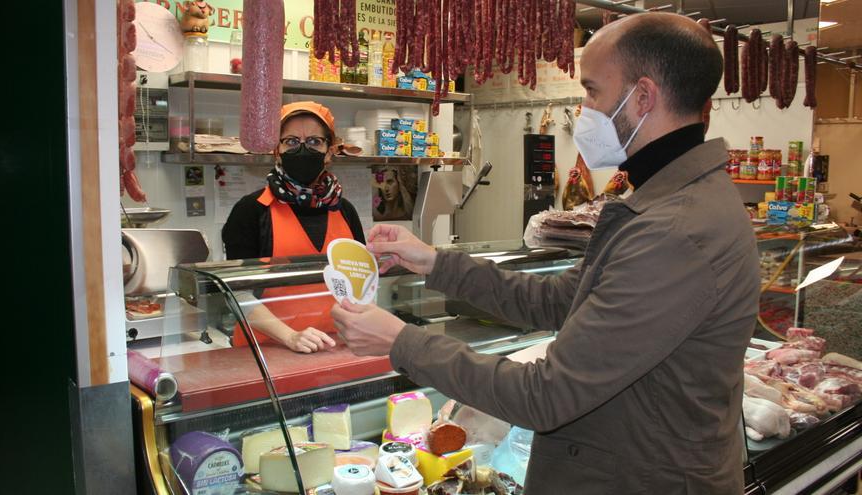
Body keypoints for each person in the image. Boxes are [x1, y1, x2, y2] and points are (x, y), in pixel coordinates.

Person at [332, 13, 760, 493]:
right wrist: (435, 262)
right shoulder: (669, 202)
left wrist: (401, 342)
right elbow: (558, 300)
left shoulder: (674, 231)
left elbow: (545, 396)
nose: (585, 108)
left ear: (643, 97)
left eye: (593, 91)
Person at [223, 101, 365, 353]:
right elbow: (236, 292)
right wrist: (290, 337)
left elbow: (360, 283)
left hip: (335, 346)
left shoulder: (344, 210)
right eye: (291, 141)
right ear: (276, 150)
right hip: (265, 351)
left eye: (313, 142)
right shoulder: (251, 210)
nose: (302, 150)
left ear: (329, 151)